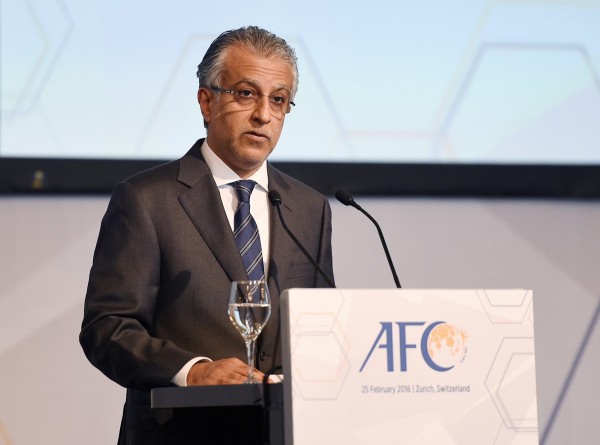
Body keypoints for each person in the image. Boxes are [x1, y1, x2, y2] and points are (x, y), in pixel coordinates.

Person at [79, 26, 334, 444]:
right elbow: (108, 328)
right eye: (246, 93)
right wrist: (193, 371)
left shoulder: (309, 208)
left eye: (278, 99)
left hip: (282, 432)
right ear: (206, 101)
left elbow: (321, 324)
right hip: (181, 433)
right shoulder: (147, 199)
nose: (263, 115)